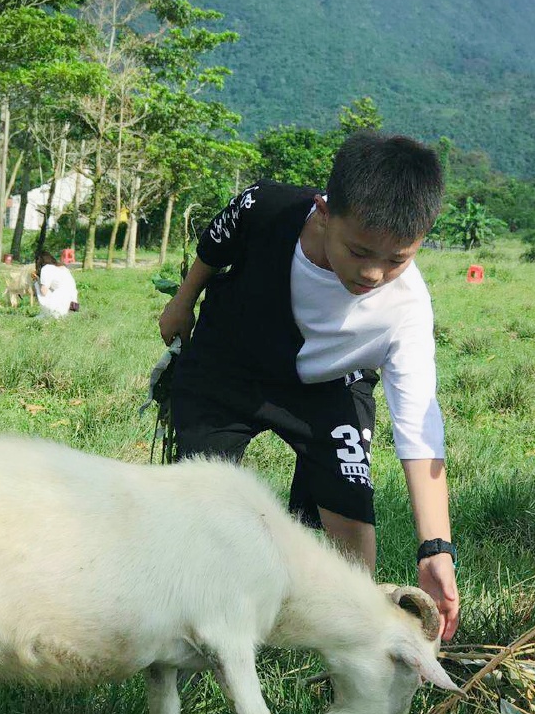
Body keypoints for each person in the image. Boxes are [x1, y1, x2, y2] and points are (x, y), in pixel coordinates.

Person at [158, 132, 460, 640]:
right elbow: (214, 248)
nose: (373, 273)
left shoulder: (406, 309)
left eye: (397, 259)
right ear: (323, 212)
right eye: (360, 250)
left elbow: (419, 427)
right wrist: (182, 302)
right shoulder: (266, 206)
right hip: (227, 367)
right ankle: (191, 623)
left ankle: (354, 632)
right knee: (198, 500)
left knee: (350, 515)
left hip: (326, 388)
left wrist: (436, 548)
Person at [33, 250, 79, 318]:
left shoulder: (46, 268)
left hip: (60, 306)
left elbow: (44, 292)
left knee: (37, 284)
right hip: (73, 305)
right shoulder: (63, 268)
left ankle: (49, 313)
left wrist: (37, 281)